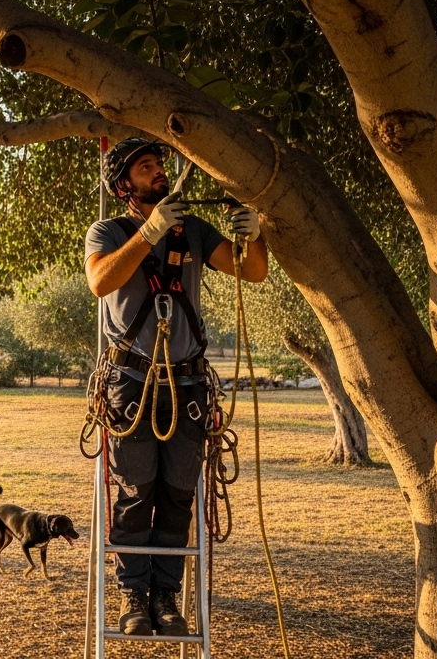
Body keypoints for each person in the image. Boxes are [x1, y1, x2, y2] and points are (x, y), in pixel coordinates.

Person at [84, 137, 267, 637]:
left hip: (185, 384)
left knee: (178, 494)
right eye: (147, 168)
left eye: (160, 165)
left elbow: (252, 270)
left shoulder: (195, 231)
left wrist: (257, 232)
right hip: (131, 383)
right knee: (135, 493)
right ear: (125, 184)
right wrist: (150, 231)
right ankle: (133, 597)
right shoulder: (107, 232)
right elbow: (102, 282)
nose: (160, 173)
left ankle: (164, 595)